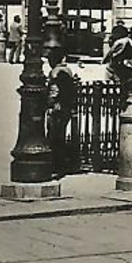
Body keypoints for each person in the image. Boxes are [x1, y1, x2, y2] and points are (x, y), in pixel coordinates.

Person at [45, 47, 81, 177]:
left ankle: (57, 165)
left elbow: (56, 91)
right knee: (59, 135)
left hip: (57, 108)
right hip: (65, 107)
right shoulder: (67, 70)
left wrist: (52, 103)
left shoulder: (57, 72)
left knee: (55, 136)